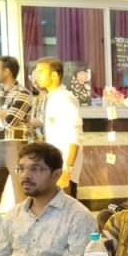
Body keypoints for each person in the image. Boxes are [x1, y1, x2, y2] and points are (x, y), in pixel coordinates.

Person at [0, 142, 96, 256]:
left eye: (35, 169)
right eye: (21, 168)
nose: (25, 175)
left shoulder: (78, 216)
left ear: (56, 174)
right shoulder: (13, 215)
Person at [0, 56, 33, 210]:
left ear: (7, 71)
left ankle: (23, 222)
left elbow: (10, 122)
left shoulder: (23, 94)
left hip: (16, 145)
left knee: (20, 191)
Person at [32, 57, 83, 197]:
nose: (37, 76)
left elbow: (76, 135)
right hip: (53, 165)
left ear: (54, 75)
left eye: (41, 72)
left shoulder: (65, 98)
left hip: (64, 168)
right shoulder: (51, 98)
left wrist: (68, 170)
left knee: (65, 207)